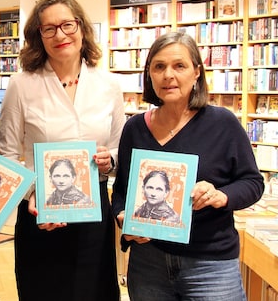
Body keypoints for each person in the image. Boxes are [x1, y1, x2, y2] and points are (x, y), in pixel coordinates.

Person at [112, 32, 264, 301]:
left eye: (179, 66)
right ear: (149, 74)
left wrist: (221, 196)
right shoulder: (134, 128)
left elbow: (252, 182)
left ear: (196, 72)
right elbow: (123, 190)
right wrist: (123, 217)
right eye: (158, 67)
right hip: (148, 263)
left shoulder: (223, 123)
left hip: (210, 264)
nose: (168, 75)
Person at [0, 0, 125, 301]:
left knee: (95, 292)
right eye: (48, 28)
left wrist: (112, 160)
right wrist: (32, 195)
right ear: (38, 36)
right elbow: (7, 155)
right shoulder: (21, 84)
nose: (60, 35)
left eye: (67, 25)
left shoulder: (108, 85)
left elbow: (122, 148)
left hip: (94, 217)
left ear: (81, 28)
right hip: (41, 214)